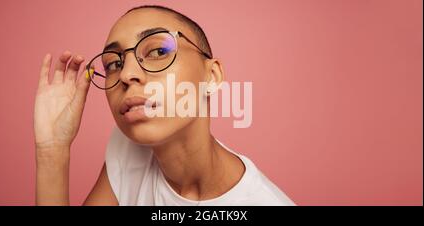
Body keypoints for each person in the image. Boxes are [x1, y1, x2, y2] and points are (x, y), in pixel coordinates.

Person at [33, 5, 295, 206]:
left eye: (158, 51)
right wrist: (52, 152)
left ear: (211, 76)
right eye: (114, 63)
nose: (126, 75)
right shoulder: (128, 149)